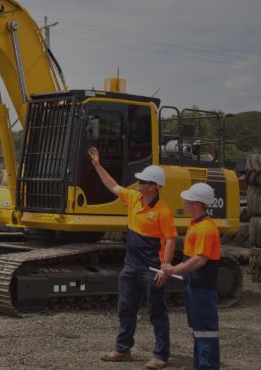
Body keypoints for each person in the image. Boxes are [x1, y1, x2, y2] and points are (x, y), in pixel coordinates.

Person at [88, 147, 177, 369]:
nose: (138, 183)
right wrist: (97, 164)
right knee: (125, 308)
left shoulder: (163, 211)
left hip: (152, 270)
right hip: (131, 267)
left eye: (143, 181)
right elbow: (112, 185)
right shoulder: (135, 198)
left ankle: (161, 355)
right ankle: (122, 349)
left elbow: (170, 240)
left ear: (154, 187)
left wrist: (165, 266)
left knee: (156, 312)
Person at [157, 183, 221, 370]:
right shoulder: (198, 225)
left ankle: (207, 366)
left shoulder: (205, 229)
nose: (184, 202)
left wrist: (174, 270)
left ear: (197, 204)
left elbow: (200, 259)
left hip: (202, 287)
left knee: (205, 332)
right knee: (199, 331)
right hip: (195, 285)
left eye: (187, 200)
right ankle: (201, 365)